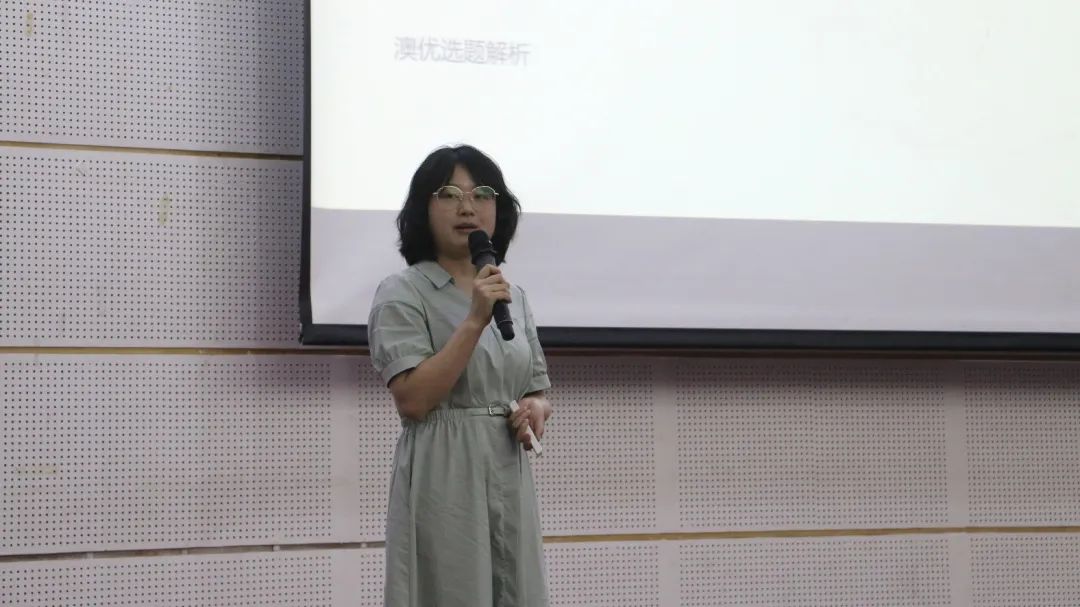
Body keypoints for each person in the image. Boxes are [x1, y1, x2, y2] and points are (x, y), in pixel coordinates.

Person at [367, 144, 554, 606]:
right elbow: (413, 400)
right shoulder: (402, 292)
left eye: (482, 194)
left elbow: (535, 388)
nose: (468, 207)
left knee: (516, 590)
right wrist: (473, 320)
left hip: (508, 470)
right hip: (445, 471)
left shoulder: (514, 296)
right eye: (449, 195)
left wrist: (534, 409)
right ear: (423, 210)